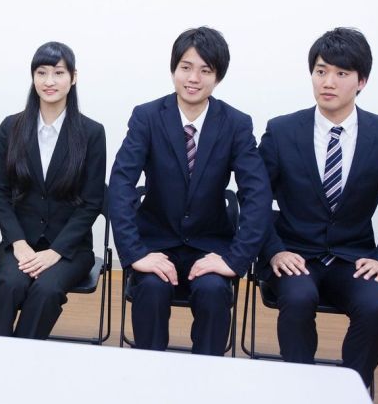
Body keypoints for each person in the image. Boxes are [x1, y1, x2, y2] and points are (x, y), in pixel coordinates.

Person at [109, 27, 271, 354]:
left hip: (210, 245)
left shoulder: (236, 124)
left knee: (213, 291)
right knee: (151, 290)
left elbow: (257, 194)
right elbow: (121, 184)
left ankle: (207, 374)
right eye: (186, 67)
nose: (193, 78)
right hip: (155, 242)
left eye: (205, 70)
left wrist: (235, 259)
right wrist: (136, 253)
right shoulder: (147, 117)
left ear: (218, 76)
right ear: (174, 69)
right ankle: (149, 372)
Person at [258, 27, 378, 387]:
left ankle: (351, 387)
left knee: (375, 307)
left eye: (341, 73)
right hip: (295, 255)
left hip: (353, 258)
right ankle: (301, 386)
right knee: (298, 299)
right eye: (321, 71)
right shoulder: (282, 130)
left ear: (361, 81)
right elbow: (254, 199)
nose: (328, 82)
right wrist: (274, 251)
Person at [0, 41, 106, 339]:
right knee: (9, 284)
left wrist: (56, 252)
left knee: (46, 289)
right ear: (33, 77)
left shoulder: (91, 133)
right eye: (42, 73)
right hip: (20, 243)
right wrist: (19, 243)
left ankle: (23, 357)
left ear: (73, 78)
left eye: (58, 73)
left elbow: (91, 203)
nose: (49, 81)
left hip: (70, 249)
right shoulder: (10, 127)